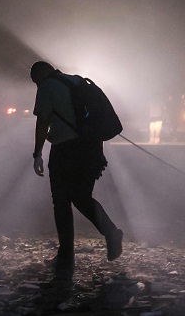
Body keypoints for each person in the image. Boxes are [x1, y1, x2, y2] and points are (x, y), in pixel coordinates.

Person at [30, 61, 123, 280]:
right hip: (91, 148)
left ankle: (65, 259)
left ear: (39, 75)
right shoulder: (77, 81)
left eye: (35, 81)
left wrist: (37, 154)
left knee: (61, 201)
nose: (36, 86)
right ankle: (110, 232)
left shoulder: (46, 86)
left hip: (65, 149)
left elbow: (43, 121)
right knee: (81, 196)